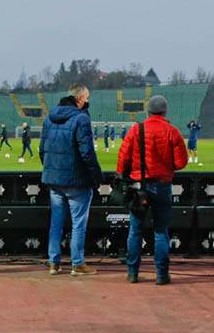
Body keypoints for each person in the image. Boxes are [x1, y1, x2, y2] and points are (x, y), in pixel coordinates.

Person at [117, 95, 188, 284]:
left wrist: (126, 177)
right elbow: (181, 162)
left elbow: (123, 158)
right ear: (165, 111)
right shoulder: (172, 131)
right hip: (162, 185)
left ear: (147, 111)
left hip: (139, 186)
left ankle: (133, 273)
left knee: (135, 230)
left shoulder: (136, 130)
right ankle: (161, 274)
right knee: (161, 231)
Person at [40, 83, 102, 276]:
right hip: (76, 181)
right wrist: (97, 176)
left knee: (56, 224)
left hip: (54, 180)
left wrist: (51, 170)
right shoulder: (81, 118)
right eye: (87, 97)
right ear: (80, 99)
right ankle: (77, 263)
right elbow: (87, 152)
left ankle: (53, 262)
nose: (88, 101)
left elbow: (42, 150)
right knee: (78, 223)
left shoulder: (49, 118)